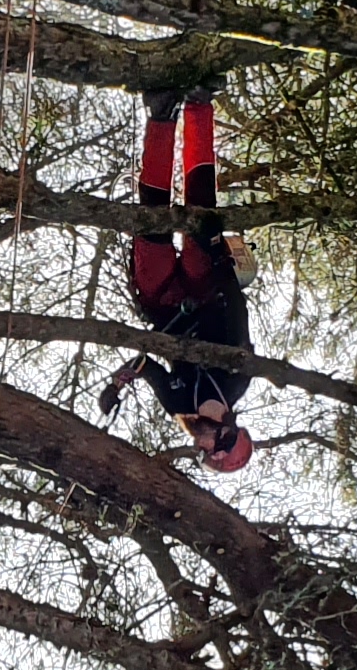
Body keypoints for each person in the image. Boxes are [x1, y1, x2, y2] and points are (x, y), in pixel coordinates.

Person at [103, 92, 257, 471]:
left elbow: (145, 364)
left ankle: (161, 118)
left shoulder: (178, 403)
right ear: (225, 434)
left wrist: (116, 385)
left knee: (152, 224)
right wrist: (220, 267)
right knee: (200, 212)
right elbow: (239, 314)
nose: (198, 444)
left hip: (163, 303)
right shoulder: (237, 382)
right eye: (207, 447)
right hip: (206, 290)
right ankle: (199, 106)